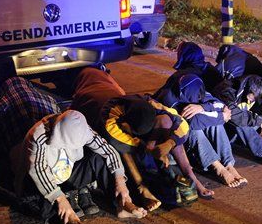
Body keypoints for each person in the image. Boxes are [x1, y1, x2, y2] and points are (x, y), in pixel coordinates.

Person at [71, 66, 215, 205]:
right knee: (130, 152)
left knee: (165, 121)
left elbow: (181, 124)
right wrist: (142, 184)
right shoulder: (110, 122)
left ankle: (189, 175)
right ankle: (147, 181)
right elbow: (124, 151)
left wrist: (168, 144)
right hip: (94, 101)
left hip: (113, 91)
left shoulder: (148, 102)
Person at [14, 110, 147, 224]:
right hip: (38, 183)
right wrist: (59, 198)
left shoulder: (81, 129)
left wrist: (120, 182)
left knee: (99, 159)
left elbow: (108, 151)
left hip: (65, 175)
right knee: (40, 203)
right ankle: (64, 218)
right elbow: (38, 170)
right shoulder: (38, 136)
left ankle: (120, 204)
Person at [154, 72, 247, 187]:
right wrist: (221, 117)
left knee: (215, 123)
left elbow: (220, 105)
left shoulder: (194, 85)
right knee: (195, 129)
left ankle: (228, 164)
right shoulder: (170, 99)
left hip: (191, 126)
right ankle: (218, 167)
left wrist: (202, 107)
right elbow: (193, 122)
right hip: (174, 144)